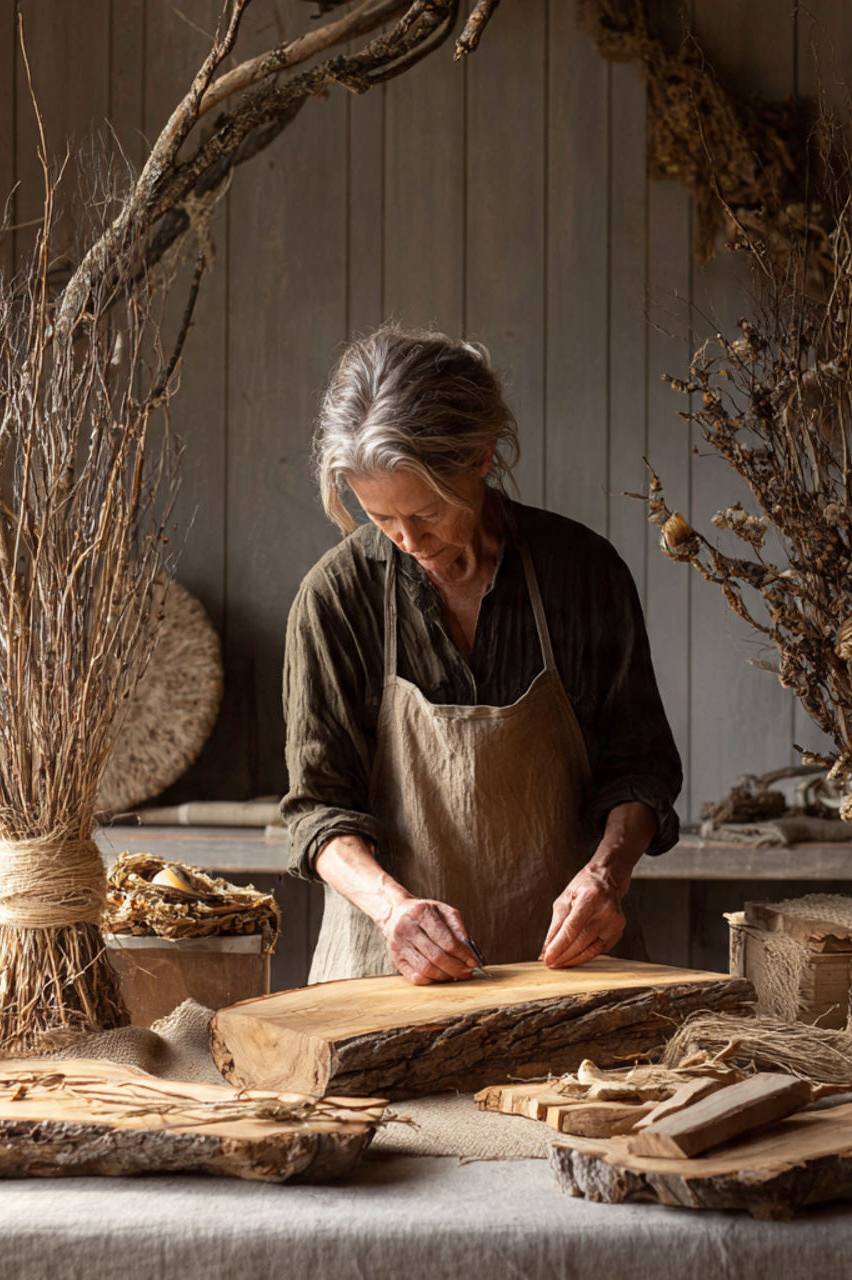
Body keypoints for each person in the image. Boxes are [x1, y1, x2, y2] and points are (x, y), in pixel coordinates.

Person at [282, 325, 683, 985]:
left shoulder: (580, 575)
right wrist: (393, 910)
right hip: (387, 975)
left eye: (429, 512)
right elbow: (317, 808)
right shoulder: (336, 598)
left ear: (481, 457)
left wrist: (607, 877)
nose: (408, 539)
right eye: (381, 519)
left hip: (566, 971)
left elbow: (641, 770)